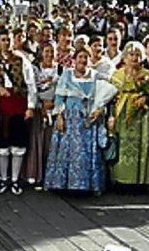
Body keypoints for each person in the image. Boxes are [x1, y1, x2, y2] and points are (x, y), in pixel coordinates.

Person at [45, 47, 117, 195]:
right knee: (69, 150)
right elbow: (59, 97)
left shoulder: (95, 76)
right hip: (70, 117)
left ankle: (87, 185)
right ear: (75, 59)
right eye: (80, 57)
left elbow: (102, 97)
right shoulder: (67, 74)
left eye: (86, 57)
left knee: (88, 151)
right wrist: (59, 116)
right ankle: (65, 184)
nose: (83, 60)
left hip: (88, 119)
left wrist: (99, 110)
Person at [0, 31, 37, 195]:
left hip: (18, 103)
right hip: (2, 107)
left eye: (8, 40)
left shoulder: (21, 60)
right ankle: (4, 179)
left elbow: (31, 84)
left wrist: (31, 106)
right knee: (2, 146)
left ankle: (15, 180)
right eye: (2, 40)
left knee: (17, 145)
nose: (5, 43)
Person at [108, 42, 149, 188]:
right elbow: (109, 97)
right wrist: (111, 116)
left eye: (137, 55)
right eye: (131, 54)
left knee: (140, 145)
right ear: (124, 57)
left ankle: (139, 180)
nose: (134, 58)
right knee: (122, 145)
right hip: (122, 112)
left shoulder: (147, 75)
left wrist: (146, 98)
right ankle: (120, 180)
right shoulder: (117, 74)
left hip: (141, 114)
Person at [24, 42, 61, 188]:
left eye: (52, 51)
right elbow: (31, 88)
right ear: (41, 52)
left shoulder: (61, 70)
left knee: (51, 144)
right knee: (38, 143)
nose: (49, 55)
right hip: (39, 111)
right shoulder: (35, 69)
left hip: (54, 109)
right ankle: (36, 174)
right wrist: (41, 104)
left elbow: (63, 89)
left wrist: (54, 104)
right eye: (47, 51)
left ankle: (50, 176)